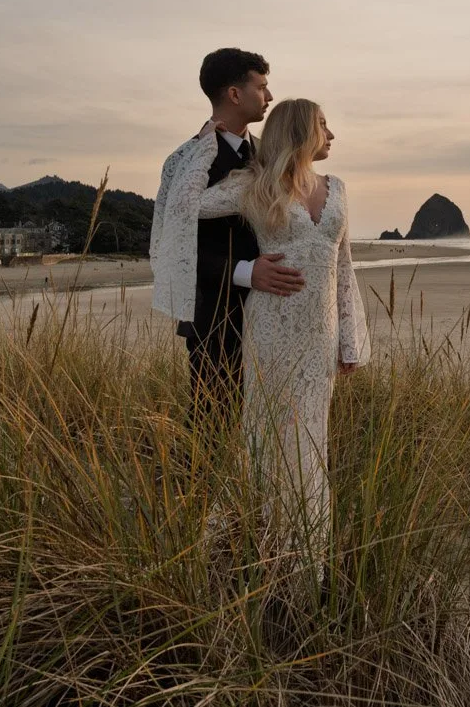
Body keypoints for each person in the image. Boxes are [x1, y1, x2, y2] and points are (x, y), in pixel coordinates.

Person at [179, 99, 371, 557]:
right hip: (271, 328)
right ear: (301, 131)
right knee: (270, 434)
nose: (332, 133)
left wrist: (351, 341)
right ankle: (268, 542)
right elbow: (185, 206)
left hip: (320, 335)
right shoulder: (254, 185)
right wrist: (205, 141)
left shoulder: (338, 187)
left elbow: (344, 270)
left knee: (311, 439)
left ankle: (305, 548)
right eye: (323, 124)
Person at [151, 48, 305, 442]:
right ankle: (198, 501)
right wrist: (245, 271)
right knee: (213, 423)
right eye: (262, 87)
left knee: (267, 423)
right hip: (215, 314)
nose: (269, 97)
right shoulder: (184, 160)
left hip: (272, 311)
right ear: (235, 95)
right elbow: (176, 241)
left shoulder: (269, 156)